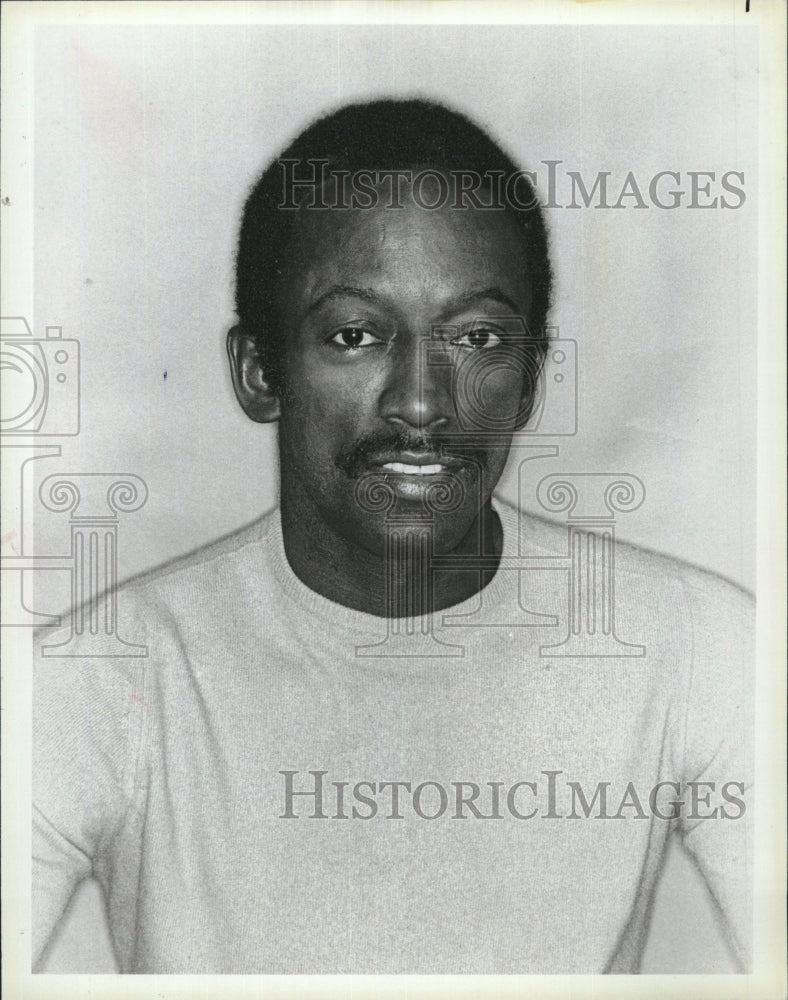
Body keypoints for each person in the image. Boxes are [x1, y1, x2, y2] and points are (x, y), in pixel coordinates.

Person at [33, 99, 753, 974]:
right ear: (259, 371)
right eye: (355, 335)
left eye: (477, 337)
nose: (420, 401)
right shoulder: (99, 680)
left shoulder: (694, 647)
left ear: (529, 379)